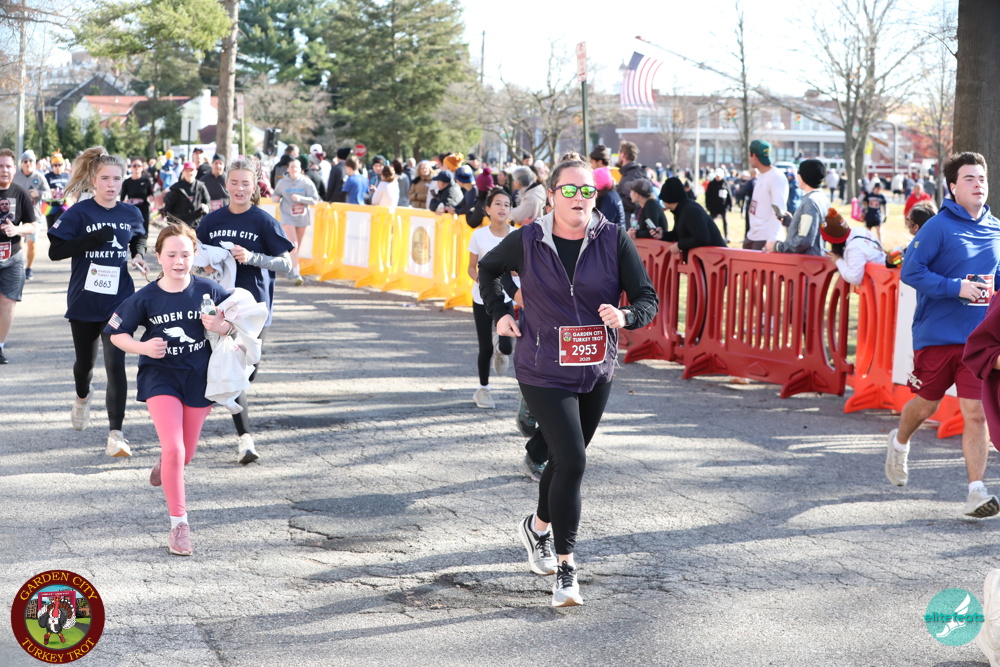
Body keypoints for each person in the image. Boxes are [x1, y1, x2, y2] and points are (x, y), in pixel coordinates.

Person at [477, 159, 658, 607]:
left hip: (595, 367)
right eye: (570, 191)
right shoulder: (528, 239)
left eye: (587, 191)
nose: (580, 199)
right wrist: (500, 312)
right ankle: (566, 568)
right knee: (573, 461)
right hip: (542, 367)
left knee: (562, 461)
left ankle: (536, 527)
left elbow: (646, 298)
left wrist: (626, 315)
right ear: (553, 195)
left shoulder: (613, 238)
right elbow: (488, 270)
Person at [885, 151, 1000, 518]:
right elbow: (911, 272)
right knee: (927, 405)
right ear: (953, 187)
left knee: (976, 413)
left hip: (976, 342)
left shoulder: (996, 229)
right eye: (969, 178)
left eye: (982, 178)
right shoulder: (937, 226)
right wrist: (956, 288)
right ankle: (900, 441)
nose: (978, 184)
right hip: (936, 335)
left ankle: (976, 492)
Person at [106, 222, 233, 556]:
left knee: (185, 454)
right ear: (159, 256)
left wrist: (222, 325)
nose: (179, 261)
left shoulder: (209, 289)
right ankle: (179, 526)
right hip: (160, 377)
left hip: (199, 378)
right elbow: (116, 333)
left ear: (195, 255)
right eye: (172, 254)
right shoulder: (146, 297)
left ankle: (166, 465)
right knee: (174, 449)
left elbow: (243, 321)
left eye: (186, 254)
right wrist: (143, 347)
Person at [47, 146, 147, 455]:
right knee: (85, 367)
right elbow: (55, 251)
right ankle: (82, 397)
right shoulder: (79, 212)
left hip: (119, 300)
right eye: (105, 178)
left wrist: (138, 254)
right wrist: (91, 239)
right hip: (85, 300)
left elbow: (138, 237)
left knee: (116, 364)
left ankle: (116, 433)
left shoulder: (131, 212)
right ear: (93, 180)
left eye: (116, 179)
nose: (111, 184)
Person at [196, 157, 294, 464]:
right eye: (234, 182)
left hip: (255, 309)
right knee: (233, 369)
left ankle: (229, 402)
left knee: (249, 372)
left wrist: (253, 258)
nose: (239, 188)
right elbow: (194, 258)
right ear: (226, 184)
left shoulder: (263, 221)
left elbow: (287, 264)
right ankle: (245, 440)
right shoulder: (211, 221)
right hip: (221, 307)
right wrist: (204, 265)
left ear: (255, 187)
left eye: (245, 184)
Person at [467, 188, 516, 409]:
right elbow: (471, 267)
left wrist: (514, 272)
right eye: (498, 203)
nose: (502, 208)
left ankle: (500, 348)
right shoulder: (478, 235)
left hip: (507, 296)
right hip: (482, 298)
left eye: (506, 204)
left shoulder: (517, 235)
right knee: (484, 347)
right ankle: (483, 389)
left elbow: (522, 267)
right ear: (487, 209)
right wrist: (482, 280)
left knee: (507, 346)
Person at [0, 148, 38, 364]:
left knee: (8, 303)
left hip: (12, 257)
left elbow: (32, 225)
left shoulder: (20, 193)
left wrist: (17, 230)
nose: (4, 170)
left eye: (8, 166)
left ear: (14, 169)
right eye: (0, 166)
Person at [764, 159, 830, 256]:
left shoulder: (810, 202)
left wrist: (777, 246)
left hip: (807, 261)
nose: (797, 175)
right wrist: (792, 223)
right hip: (814, 258)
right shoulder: (821, 197)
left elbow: (804, 241)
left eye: (799, 172)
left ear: (805, 176)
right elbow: (812, 228)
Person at [272, 158, 320, 286]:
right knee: (293, 244)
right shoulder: (282, 182)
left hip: (302, 217)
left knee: (296, 247)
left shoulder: (306, 182)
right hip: (287, 216)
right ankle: (296, 273)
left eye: (296, 167)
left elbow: (315, 200)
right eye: (292, 167)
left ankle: (289, 266)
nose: (294, 169)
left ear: (301, 169)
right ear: (288, 169)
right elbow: (274, 196)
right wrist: (276, 198)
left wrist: (300, 199)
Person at [658, 177, 727, 257]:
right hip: (707, 258)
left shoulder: (690, 210)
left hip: (716, 258)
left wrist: (679, 245)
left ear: (668, 198)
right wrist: (663, 235)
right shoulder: (680, 210)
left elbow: (702, 238)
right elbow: (679, 234)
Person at [819, 208, 886, 285]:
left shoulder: (854, 248)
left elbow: (855, 278)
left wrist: (838, 261)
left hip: (880, 284)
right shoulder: (858, 230)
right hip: (883, 277)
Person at [744, 140, 788, 250]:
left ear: (754, 156)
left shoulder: (776, 177)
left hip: (765, 238)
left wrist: (772, 239)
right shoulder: (762, 175)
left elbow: (779, 209)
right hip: (753, 235)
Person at [119, 157, 154, 255]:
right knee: (131, 229)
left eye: (139, 165)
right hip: (132, 209)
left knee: (144, 230)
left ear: (142, 168)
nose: (136, 168)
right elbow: (122, 198)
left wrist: (152, 198)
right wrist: (125, 203)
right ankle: (133, 246)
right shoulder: (127, 182)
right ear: (131, 168)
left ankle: (142, 248)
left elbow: (151, 194)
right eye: (134, 166)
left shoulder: (146, 181)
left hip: (143, 208)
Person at [162, 162, 211, 228]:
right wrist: (173, 224)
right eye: (187, 170)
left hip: (197, 225)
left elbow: (208, 202)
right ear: (183, 172)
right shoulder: (176, 188)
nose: (189, 173)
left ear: (196, 172)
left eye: (191, 170)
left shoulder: (201, 187)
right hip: (180, 227)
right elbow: (168, 208)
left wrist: (206, 207)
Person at [615, 141, 644, 221]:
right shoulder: (633, 172)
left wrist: (615, 194)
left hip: (631, 221)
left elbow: (633, 203)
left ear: (623, 155)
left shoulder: (630, 175)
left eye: (619, 154)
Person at [44, 152, 72, 231]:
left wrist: (65, 192)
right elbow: (43, 188)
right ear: (52, 166)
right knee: (50, 229)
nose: (57, 167)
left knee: (57, 225)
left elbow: (73, 189)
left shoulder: (67, 176)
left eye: (60, 164)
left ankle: (57, 237)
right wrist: (50, 191)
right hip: (50, 205)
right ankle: (53, 238)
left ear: (63, 165)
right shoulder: (47, 176)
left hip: (63, 206)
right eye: (55, 165)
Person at [704, 168, 733, 242]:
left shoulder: (725, 183)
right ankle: (710, 236)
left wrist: (730, 205)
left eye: (719, 176)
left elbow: (729, 195)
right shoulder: (711, 184)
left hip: (723, 207)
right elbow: (707, 196)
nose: (718, 177)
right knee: (711, 221)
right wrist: (708, 205)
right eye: (717, 176)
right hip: (713, 207)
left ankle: (726, 236)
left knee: (725, 221)